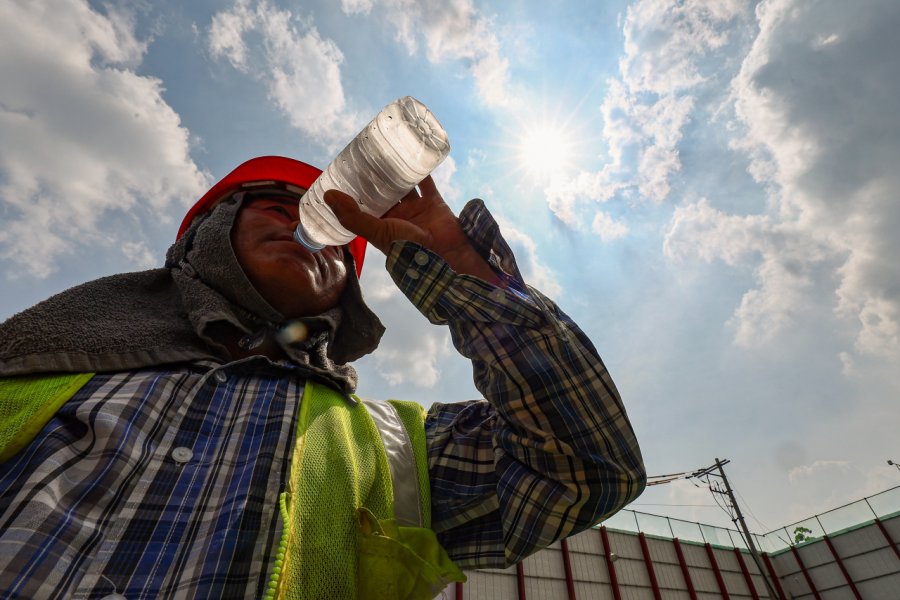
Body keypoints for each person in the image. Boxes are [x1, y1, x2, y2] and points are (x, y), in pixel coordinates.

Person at [0, 156, 645, 599]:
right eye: (282, 206)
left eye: (337, 234)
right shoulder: (36, 367)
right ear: (207, 235)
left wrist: (468, 278)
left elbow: (585, 470)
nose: (312, 232)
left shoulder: (393, 446)